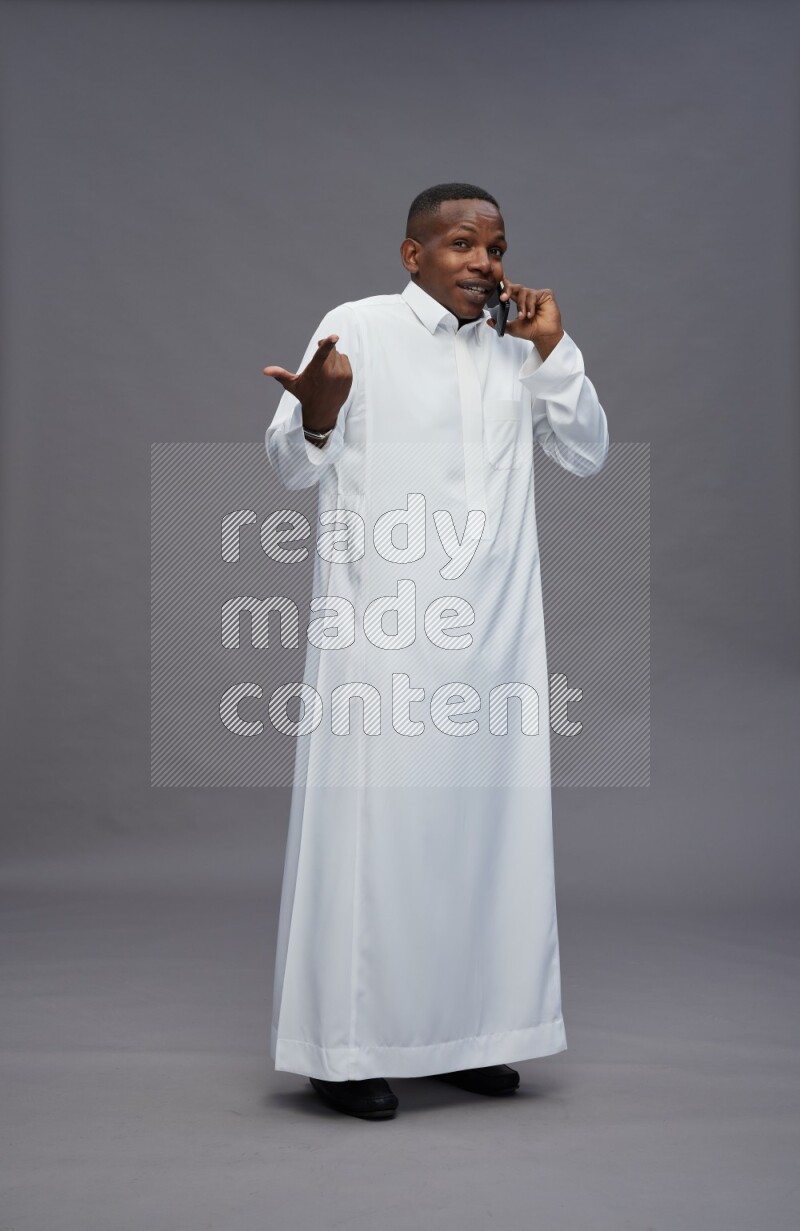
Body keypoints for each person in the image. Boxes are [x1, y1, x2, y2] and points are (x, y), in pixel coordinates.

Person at [262, 182, 609, 1120]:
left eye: (495, 247)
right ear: (413, 255)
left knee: (484, 841)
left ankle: (474, 1034)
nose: (484, 264)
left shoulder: (514, 344)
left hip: (495, 644)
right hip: (383, 633)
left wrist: (553, 353)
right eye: (462, 244)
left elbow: (586, 453)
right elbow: (292, 465)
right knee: (376, 840)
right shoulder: (359, 328)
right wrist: (320, 414)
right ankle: (347, 1047)